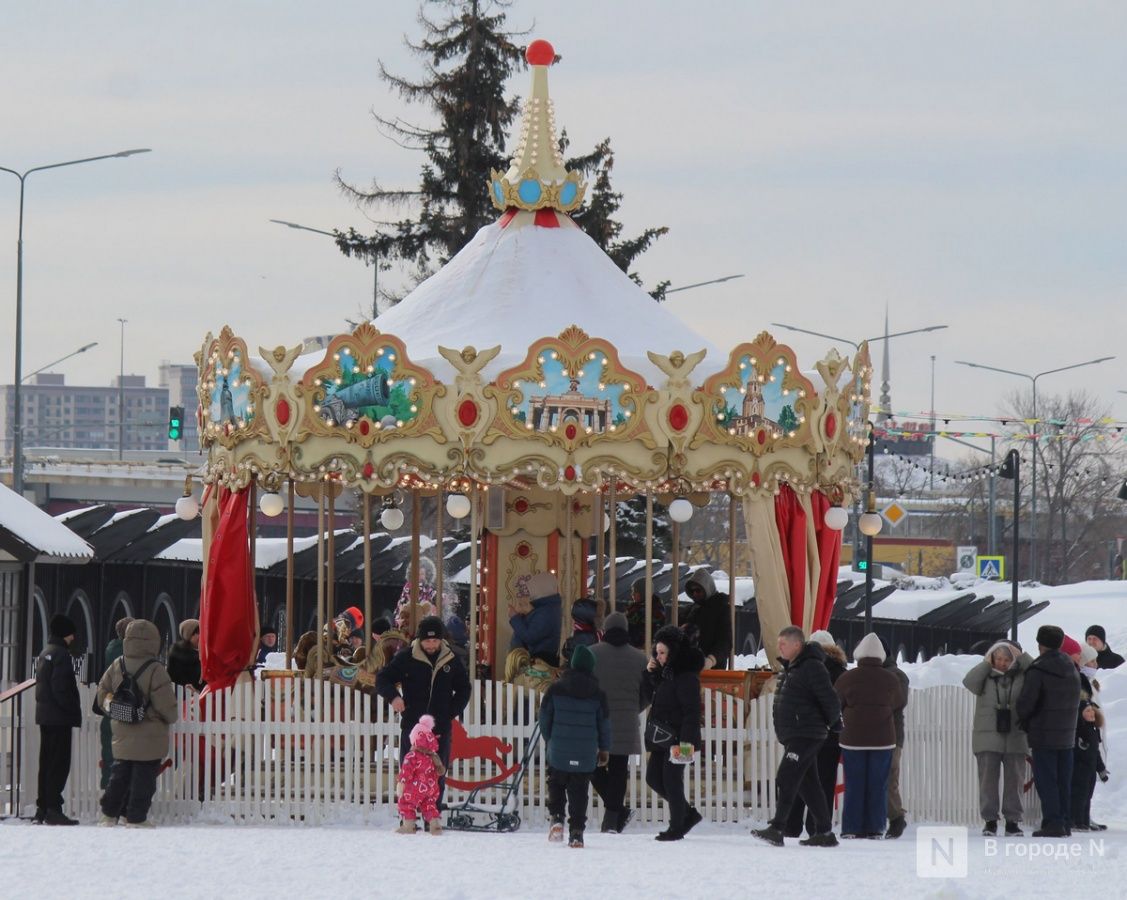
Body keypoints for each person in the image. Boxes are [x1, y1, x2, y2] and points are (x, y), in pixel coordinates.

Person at [752, 626, 842, 848]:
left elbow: (828, 697)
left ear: (797, 645)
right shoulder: (791, 667)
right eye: (779, 643)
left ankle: (778, 827)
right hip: (796, 733)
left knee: (786, 776)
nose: (779, 647)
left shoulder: (812, 666)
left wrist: (835, 722)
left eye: (784, 643)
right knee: (809, 783)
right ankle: (824, 831)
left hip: (806, 733)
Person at [376, 615, 471, 805]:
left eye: (435, 640)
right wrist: (394, 697)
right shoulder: (406, 657)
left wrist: (449, 711)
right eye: (427, 641)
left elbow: (464, 689)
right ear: (420, 639)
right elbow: (382, 679)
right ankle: (408, 814)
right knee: (408, 773)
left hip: (440, 728)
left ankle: (433, 813)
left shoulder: (451, 659)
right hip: (412, 727)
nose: (431, 645)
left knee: (437, 774)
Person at [96, 619, 178, 827]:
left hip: (122, 728)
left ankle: (109, 814)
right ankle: (136, 817)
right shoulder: (156, 669)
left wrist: (114, 709)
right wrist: (171, 716)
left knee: (119, 774)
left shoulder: (117, 664)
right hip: (150, 733)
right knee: (144, 778)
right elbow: (166, 705)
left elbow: (102, 693)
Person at [833, 632, 906, 839]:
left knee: (854, 784)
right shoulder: (891, 679)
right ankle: (875, 827)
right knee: (878, 785)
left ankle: (851, 827)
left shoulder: (847, 678)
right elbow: (899, 703)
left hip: (853, 739)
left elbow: (836, 702)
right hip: (883, 740)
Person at [539, 644, 611, 848]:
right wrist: (604, 749)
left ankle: (557, 817)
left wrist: (550, 739)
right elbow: (604, 724)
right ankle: (577, 832)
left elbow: (544, 717)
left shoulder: (555, 689)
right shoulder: (598, 694)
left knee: (556, 782)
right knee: (579, 791)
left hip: (559, 748)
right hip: (585, 752)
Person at [1016, 624, 1081, 837]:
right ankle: (1064, 822)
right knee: (1063, 780)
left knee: (1047, 781)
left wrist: (1024, 719)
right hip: (1067, 734)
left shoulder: (1039, 669)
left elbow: (1026, 703)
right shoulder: (1071, 667)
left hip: (1043, 734)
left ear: (1039, 644)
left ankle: (1053, 822)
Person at [963, 640, 1033, 836]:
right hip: (988, 737)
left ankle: (1013, 821)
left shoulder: (1024, 675)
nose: (1002, 663)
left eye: (1007, 659)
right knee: (987, 781)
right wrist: (986, 664)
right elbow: (969, 682)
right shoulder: (985, 675)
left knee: (1015, 781)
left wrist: (1022, 657)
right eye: (998, 658)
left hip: (1015, 736)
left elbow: (1037, 672)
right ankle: (990, 820)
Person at [642, 625, 704, 841]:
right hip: (662, 737)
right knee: (653, 778)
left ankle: (676, 826)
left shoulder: (686, 677)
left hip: (680, 739)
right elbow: (649, 697)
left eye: (662, 653)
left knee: (672, 780)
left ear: (673, 652)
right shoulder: (664, 674)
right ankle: (687, 814)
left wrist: (685, 744)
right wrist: (650, 674)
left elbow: (692, 712)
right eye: (656, 652)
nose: (658, 656)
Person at [784, 629, 847, 840]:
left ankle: (792, 824)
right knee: (825, 783)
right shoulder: (841, 673)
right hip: (830, 738)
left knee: (801, 779)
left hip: (805, 734)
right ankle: (818, 826)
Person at [589, 611, 648, 833]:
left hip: (597, 721)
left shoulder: (592, 653)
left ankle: (616, 815)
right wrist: (634, 708)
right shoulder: (640, 658)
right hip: (626, 722)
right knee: (618, 770)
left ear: (605, 629)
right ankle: (613, 819)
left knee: (591, 766)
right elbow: (648, 692)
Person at [34, 614, 82, 825]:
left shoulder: (46, 652)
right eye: (71, 633)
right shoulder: (61, 655)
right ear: (64, 633)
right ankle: (54, 808)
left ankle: (43, 807)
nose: (73, 638)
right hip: (59, 718)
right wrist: (71, 709)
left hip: (45, 716)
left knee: (46, 763)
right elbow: (61, 687)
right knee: (59, 764)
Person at [1067, 639, 1108, 831]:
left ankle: (1085, 815)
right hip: (1083, 738)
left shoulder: (1090, 683)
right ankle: (1079, 817)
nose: (1095, 665)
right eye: (1091, 661)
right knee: (1080, 784)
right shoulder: (1080, 682)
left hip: (1093, 735)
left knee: (1088, 784)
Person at [396, 714, 447, 835]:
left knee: (406, 803)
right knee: (429, 805)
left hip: (414, 788)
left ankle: (408, 826)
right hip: (430, 788)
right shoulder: (433, 757)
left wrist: (401, 783)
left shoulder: (412, 756)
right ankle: (435, 826)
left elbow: (406, 771)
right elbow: (438, 772)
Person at [881, 639, 911, 838]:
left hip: (891, 734)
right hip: (880, 733)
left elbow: (898, 701)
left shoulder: (897, 675)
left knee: (889, 777)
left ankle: (896, 817)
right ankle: (892, 817)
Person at [100, 616, 133, 790]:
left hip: (110, 703)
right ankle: (120, 789)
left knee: (109, 748)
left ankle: (108, 784)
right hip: (124, 703)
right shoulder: (129, 652)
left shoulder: (110, 649)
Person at [509, 572, 563, 667]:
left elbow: (530, 637)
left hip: (540, 659)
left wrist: (515, 618)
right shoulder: (547, 607)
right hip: (540, 656)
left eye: (532, 588)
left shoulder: (547, 611)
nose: (530, 592)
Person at [682, 569, 731, 670]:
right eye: (692, 591)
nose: (695, 594)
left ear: (707, 588)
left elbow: (725, 640)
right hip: (689, 667)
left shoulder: (721, 608)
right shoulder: (691, 610)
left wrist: (711, 659)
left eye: (698, 590)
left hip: (712, 668)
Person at [624, 578, 665, 650]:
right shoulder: (636, 606)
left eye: (635, 591)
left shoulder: (654, 610)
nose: (632, 594)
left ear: (643, 592)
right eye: (632, 591)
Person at [167, 618, 204, 690]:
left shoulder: (202, 654)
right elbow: (173, 679)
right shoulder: (177, 655)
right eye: (198, 633)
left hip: (201, 695)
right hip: (184, 695)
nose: (201, 636)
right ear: (189, 635)